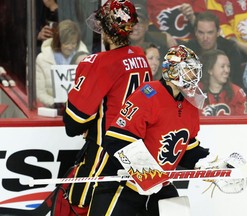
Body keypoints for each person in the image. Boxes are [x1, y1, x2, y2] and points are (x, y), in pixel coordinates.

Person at [87, 45, 211, 215]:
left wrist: (205, 163)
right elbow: (117, 139)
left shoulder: (190, 105)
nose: (194, 75)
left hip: (161, 186)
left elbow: (185, 146)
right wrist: (146, 174)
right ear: (172, 71)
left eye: (195, 70)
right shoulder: (148, 94)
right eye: (189, 70)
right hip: (124, 185)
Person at [62, 0, 152, 214]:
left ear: (105, 28)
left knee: (78, 205)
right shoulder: (140, 56)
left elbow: (73, 123)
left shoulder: (98, 63)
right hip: (137, 151)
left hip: (105, 152)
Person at [184, 11, 244, 89]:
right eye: (201, 33)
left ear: (218, 32)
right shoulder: (188, 49)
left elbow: (236, 82)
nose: (205, 38)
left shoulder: (230, 49)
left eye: (210, 33)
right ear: (195, 32)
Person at [36, 19, 88, 108]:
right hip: (53, 112)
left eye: (73, 43)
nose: (70, 47)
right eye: (67, 43)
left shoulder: (85, 58)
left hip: (79, 111)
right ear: (58, 42)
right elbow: (40, 92)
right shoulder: (42, 59)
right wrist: (56, 104)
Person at [199, 49, 247, 116]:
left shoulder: (237, 93)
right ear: (210, 70)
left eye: (228, 66)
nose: (227, 70)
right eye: (222, 66)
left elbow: (242, 123)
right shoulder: (195, 93)